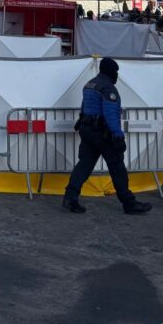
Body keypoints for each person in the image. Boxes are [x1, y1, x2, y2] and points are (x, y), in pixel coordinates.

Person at [62, 57, 153, 215]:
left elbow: (85, 106)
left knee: (83, 165)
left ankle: (70, 197)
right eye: (116, 72)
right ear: (110, 71)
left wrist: (80, 119)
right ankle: (129, 203)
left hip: (87, 129)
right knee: (117, 167)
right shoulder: (108, 88)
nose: (117, 75)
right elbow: (110, 114)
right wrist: (118, 136)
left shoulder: (90, 84)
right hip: (102, 134)